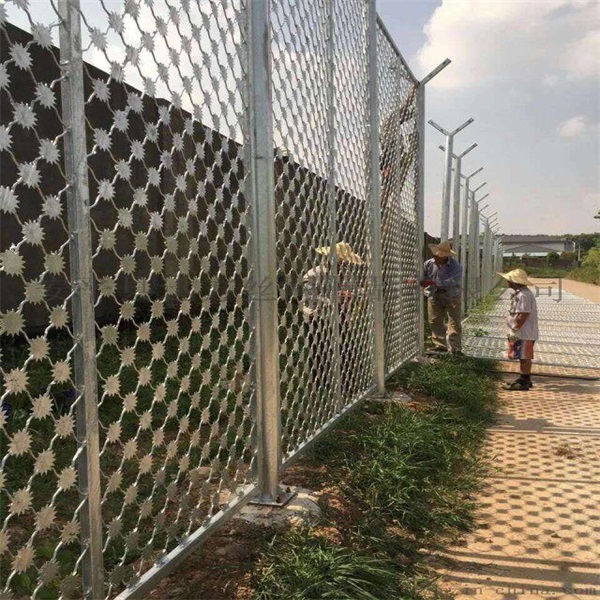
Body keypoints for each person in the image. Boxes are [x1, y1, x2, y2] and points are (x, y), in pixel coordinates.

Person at [303, 242, 364, 396]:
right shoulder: (313, 274)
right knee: (320, 352)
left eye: (343, 260)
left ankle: (347, 384)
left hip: (340, 316)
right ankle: (320, 387)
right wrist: (334, 299)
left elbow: (354, 289)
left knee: (346, 349)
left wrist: (355, 294)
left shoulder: (345, 273)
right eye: (339, 259)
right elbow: (310, 297)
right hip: (318, 317)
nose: (341, 263)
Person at [498, 268, 538, 391]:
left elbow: (523, 314)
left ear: (514, 282)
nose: (507, 282)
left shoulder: (524, 295)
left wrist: (516, 329)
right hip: (523, 331)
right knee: (522, 356)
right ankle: (524, 378)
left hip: (524, 332)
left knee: (524, 356)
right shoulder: (520, 293)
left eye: (509, 280)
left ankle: (524, 381)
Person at [421, 241, 463, 354]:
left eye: (439, 256)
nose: (436, 257)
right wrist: (424, 283)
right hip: (434, 295)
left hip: (451, 296)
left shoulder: (456, 266)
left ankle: (455, 348)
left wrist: (435, 283)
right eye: (436, 255)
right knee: (435, 320)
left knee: (454, 322)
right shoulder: (428, 264)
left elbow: (453, 280)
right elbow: (424, 276)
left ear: (446, 256)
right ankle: (440, 345)